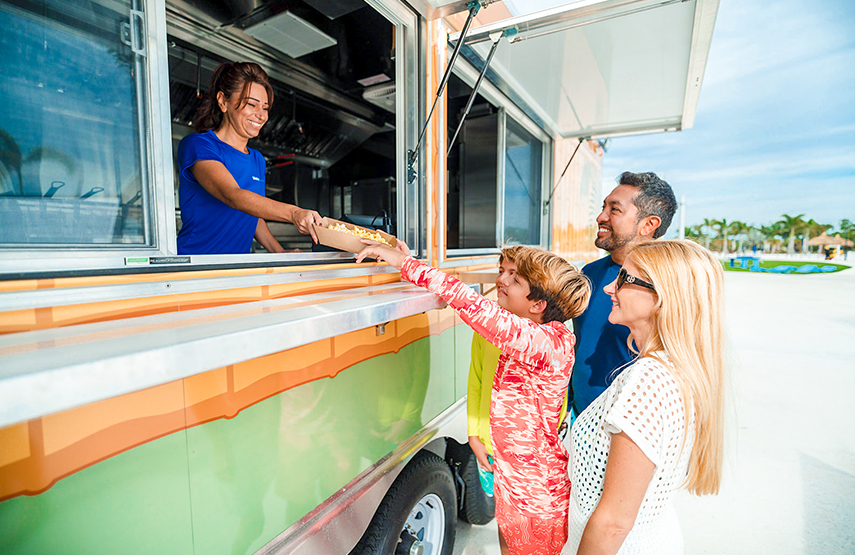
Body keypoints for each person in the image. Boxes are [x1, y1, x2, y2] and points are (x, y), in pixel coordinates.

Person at [357, 241, 591, 555]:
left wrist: (404, 263)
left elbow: (474, 306)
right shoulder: (532, 333)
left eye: (516, 280)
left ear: (537, 305)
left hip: (536, 488)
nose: (502, 281)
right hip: (514, 475)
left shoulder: (548, 342)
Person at [563, 239, 726, 555]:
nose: (610, 288)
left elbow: (613, 522)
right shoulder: (676, 368)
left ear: (661, 299)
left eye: (624, 279)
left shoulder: (647, 380)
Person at [176, 61, 322, 255]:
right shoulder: (199, 145)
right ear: (223, 101)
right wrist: (294, 213)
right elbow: (233, 195)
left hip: (240, 269)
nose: (261, 115)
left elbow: (252, 213)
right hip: (197, 267)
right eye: (252, 104)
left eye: (265, 107)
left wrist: (279, 253)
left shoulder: (257, 159)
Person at [569, 172, 677, 417]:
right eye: (603, 207)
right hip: (579, 418)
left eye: (614, 210)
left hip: (627, 425)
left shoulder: (665, 285)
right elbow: (579, 343)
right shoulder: (589, 273)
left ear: (648, 225)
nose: (600, 217)